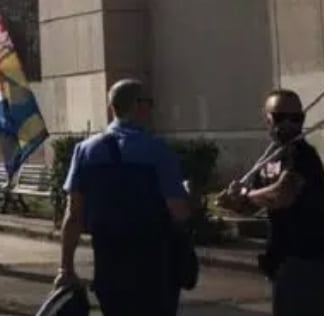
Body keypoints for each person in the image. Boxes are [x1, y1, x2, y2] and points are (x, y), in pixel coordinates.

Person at [55, 79, 191, 315]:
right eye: (149, 102)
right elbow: (177, 210)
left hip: (108, 265)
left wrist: (66, 267)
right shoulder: (157, 150)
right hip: (154, 265)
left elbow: (74, 214)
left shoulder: (85, 150)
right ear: (139, 106)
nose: (151, 109)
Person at [216, 89, 324, 315]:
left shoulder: (303, 156)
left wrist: (245, 195)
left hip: (307, 261)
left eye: (296, 118)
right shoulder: (270, 157)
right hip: (281, 260)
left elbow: (283, 194)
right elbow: (252, 205)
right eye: (280, 117)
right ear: (267, 118)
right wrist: (232, 200)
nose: (289, 124)